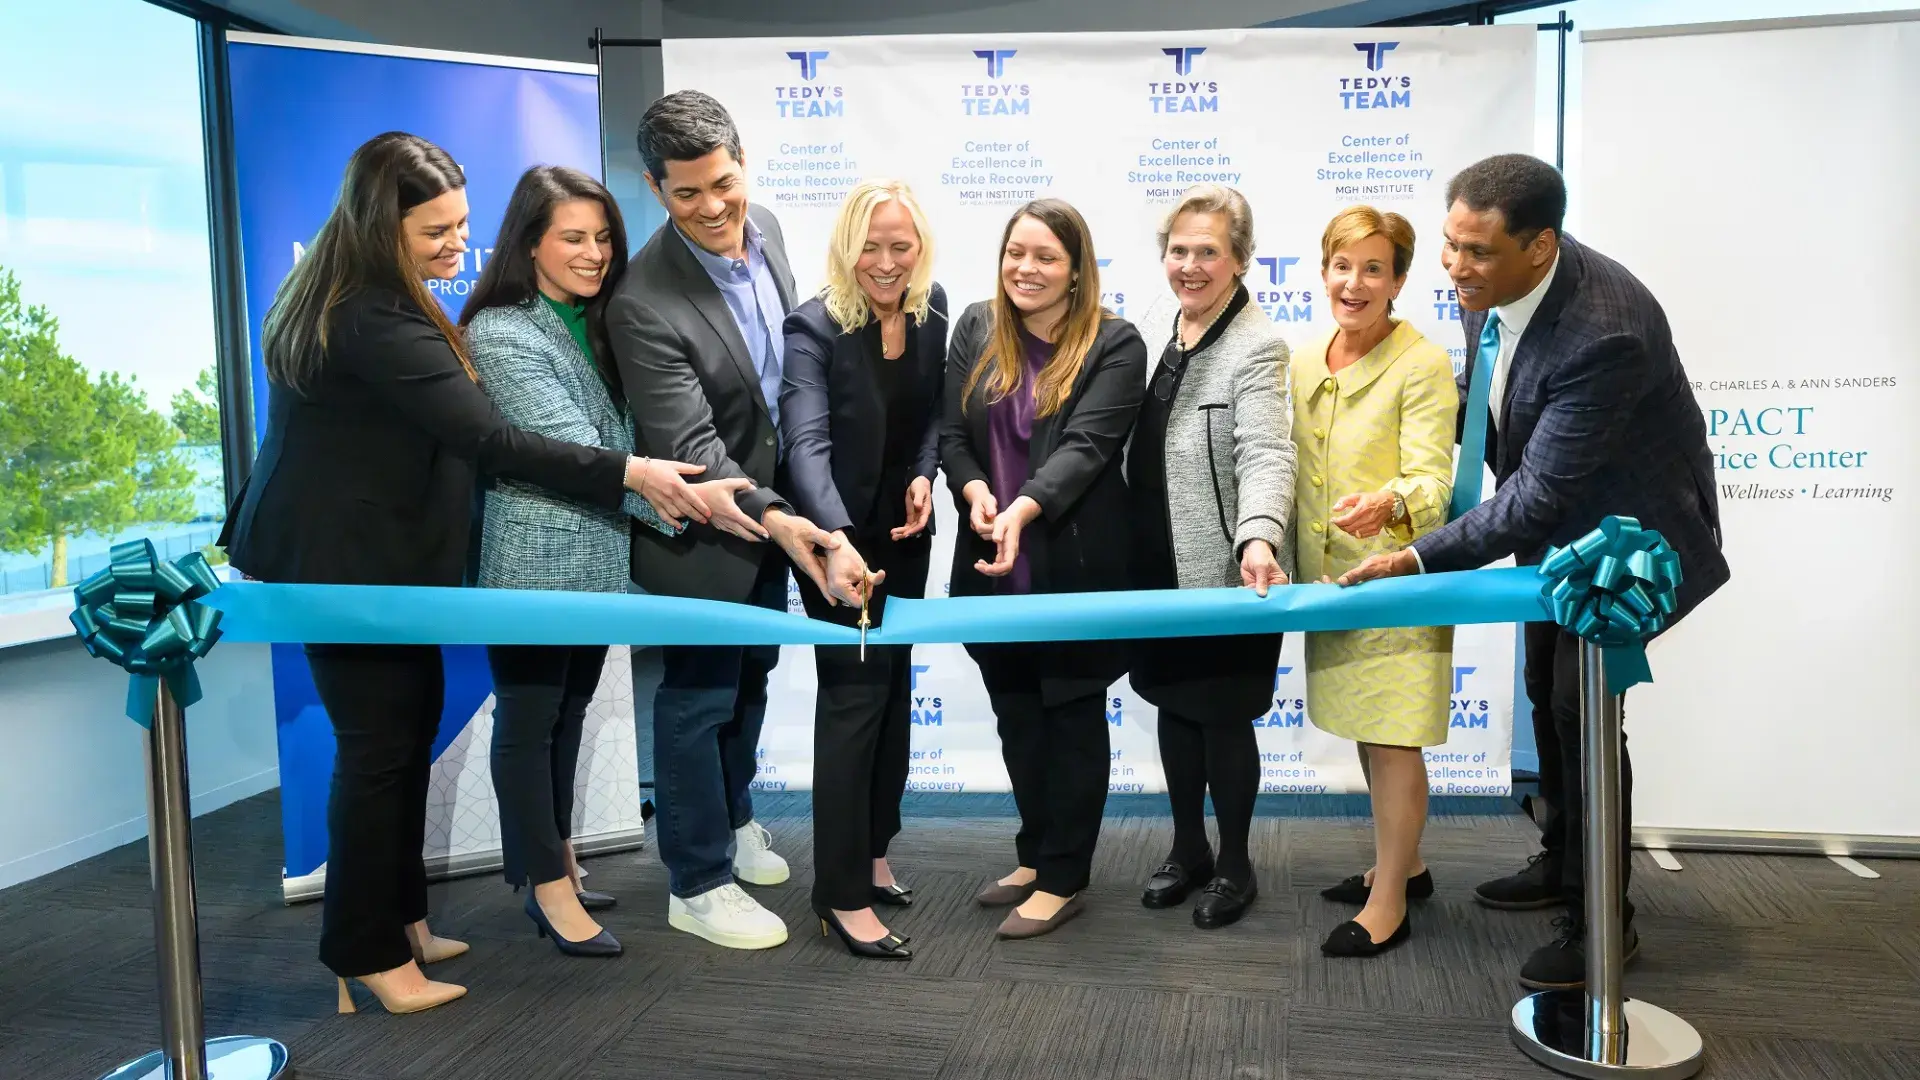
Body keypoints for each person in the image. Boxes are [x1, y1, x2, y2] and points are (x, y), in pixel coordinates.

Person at [217, 132, 714, 1014]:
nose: (456, 246)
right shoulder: (371, 311)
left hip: (373, 566)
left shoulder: (358, 292)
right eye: (435, 231)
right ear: (381, 226)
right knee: (378, 756)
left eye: (460, 225)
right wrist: (631, 472)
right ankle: (365, 953)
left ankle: (400, 919)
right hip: (347, 569)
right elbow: (488, 438)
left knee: (398, 745)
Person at [1338, 154, 1729, 989]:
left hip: (1630, 541)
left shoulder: (1604, 329)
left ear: (1541, 246)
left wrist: (1413, 555)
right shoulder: (1494, 287)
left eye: (1475, 252)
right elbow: (1503, 415)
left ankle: (1604, 923)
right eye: (1449, 245)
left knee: (1580, 710)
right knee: (1543, 690)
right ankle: (1561, 861)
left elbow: (1541, 493)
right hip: (1560, 533)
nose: (1453, 267)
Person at [459, 166, 757, 959]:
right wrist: (683, 500)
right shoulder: (503, 330)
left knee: (567, 715)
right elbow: (576, 450)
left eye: (603, 238)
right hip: (534, 561)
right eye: (573, 238)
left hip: (596, 561)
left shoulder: (600, 322)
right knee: (529, 721)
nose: (594, 253)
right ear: (530, 242)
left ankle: (556, 856)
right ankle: (546, 887)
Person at [608, 90, 859, 951]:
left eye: (723, 183)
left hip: (777, 509)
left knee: (750, 680)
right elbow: (693, 446)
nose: (714, 208)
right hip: (707, 528)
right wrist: (783, 520)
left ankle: (736, 818)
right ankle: (696, 877)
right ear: (654, 188)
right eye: (687, 194)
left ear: (743, 161)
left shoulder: (775, 230)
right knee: (698, 699)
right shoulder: (642, 298)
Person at [942, 197, 1148, 940]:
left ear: (1075, 271)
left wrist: (1021, 511)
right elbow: (950, 432)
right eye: (1015, 253)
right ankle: (1034, 855)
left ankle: (1065, 877)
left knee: (1070, 720)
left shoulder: (1115, 343)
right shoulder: (974, 325)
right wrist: (971, 490)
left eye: (1046, 258)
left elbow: (1087, 448)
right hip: (991, 572)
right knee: (1018, 721)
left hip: (1073, 569)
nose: (1025, 269)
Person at [780, 179, 947, 961]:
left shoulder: (931, 306)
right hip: (837, 549)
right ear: (848, 248)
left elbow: (933, 417)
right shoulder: (813, 327)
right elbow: (803, 445)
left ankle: (876, 850)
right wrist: (835, 537)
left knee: (895, 692)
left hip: (908, 536)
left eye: (901, 246)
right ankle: (839, 894)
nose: (886, 263)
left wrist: (924, 473)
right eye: (871, 246)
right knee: (852, 704)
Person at [1126, 184, 1295, 931]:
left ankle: (1234, 864)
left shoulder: (1257, 344)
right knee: (1172, 703)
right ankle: (1188, 848)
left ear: (1240, 260)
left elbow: (1267, 452)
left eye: (1208, 252)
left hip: (1226, 573)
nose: (1190, 266)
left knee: (1223, 717)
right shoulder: (1163, 324)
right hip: (1155, 564)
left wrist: (1258, 534)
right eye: (1179, 250)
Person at [1291, 206, 1457, 958]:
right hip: (1327, 583)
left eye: (1372, 269)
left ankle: (1389, 900)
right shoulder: (1303, 358)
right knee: (1368, 726)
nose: (1353, 283)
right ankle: (1407, 864)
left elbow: (1433, 479)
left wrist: (1390, 502)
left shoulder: (1420, 363)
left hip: (1392, 578)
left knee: (1393, 740)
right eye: (1341, 265)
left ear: (1397, 280)